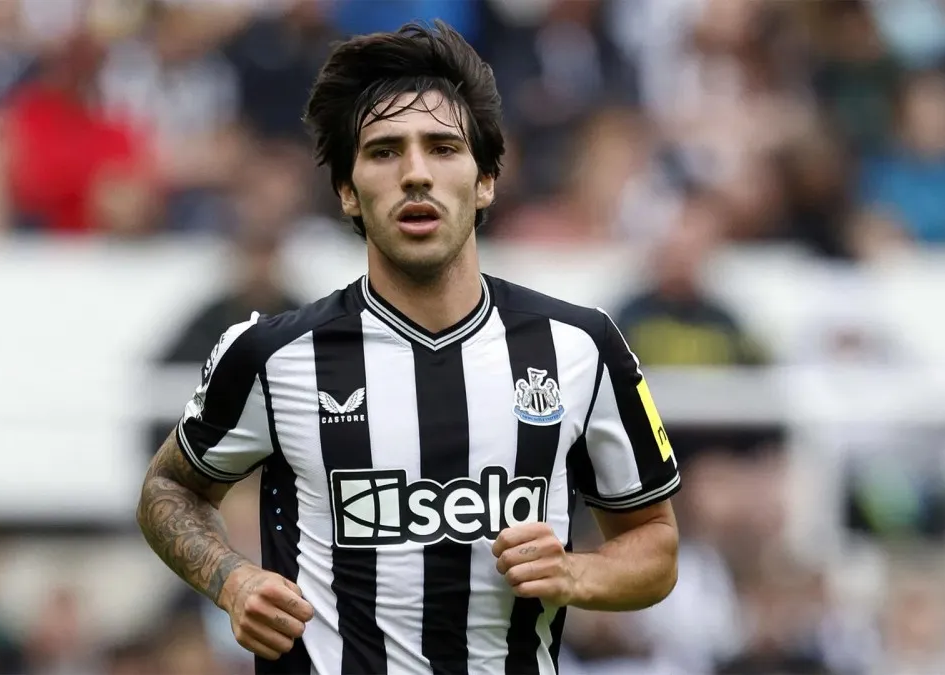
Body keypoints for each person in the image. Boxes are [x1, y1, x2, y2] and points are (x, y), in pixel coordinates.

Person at [136, 21, 681, 675]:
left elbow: (655, 544)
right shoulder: (271, 356)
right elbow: (168, 488)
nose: (416, 173)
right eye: (384, 151)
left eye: (443, 148)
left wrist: (575, 573)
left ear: (486, 180)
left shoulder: (580, 348)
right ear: (347, 191)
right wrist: (231, 579)